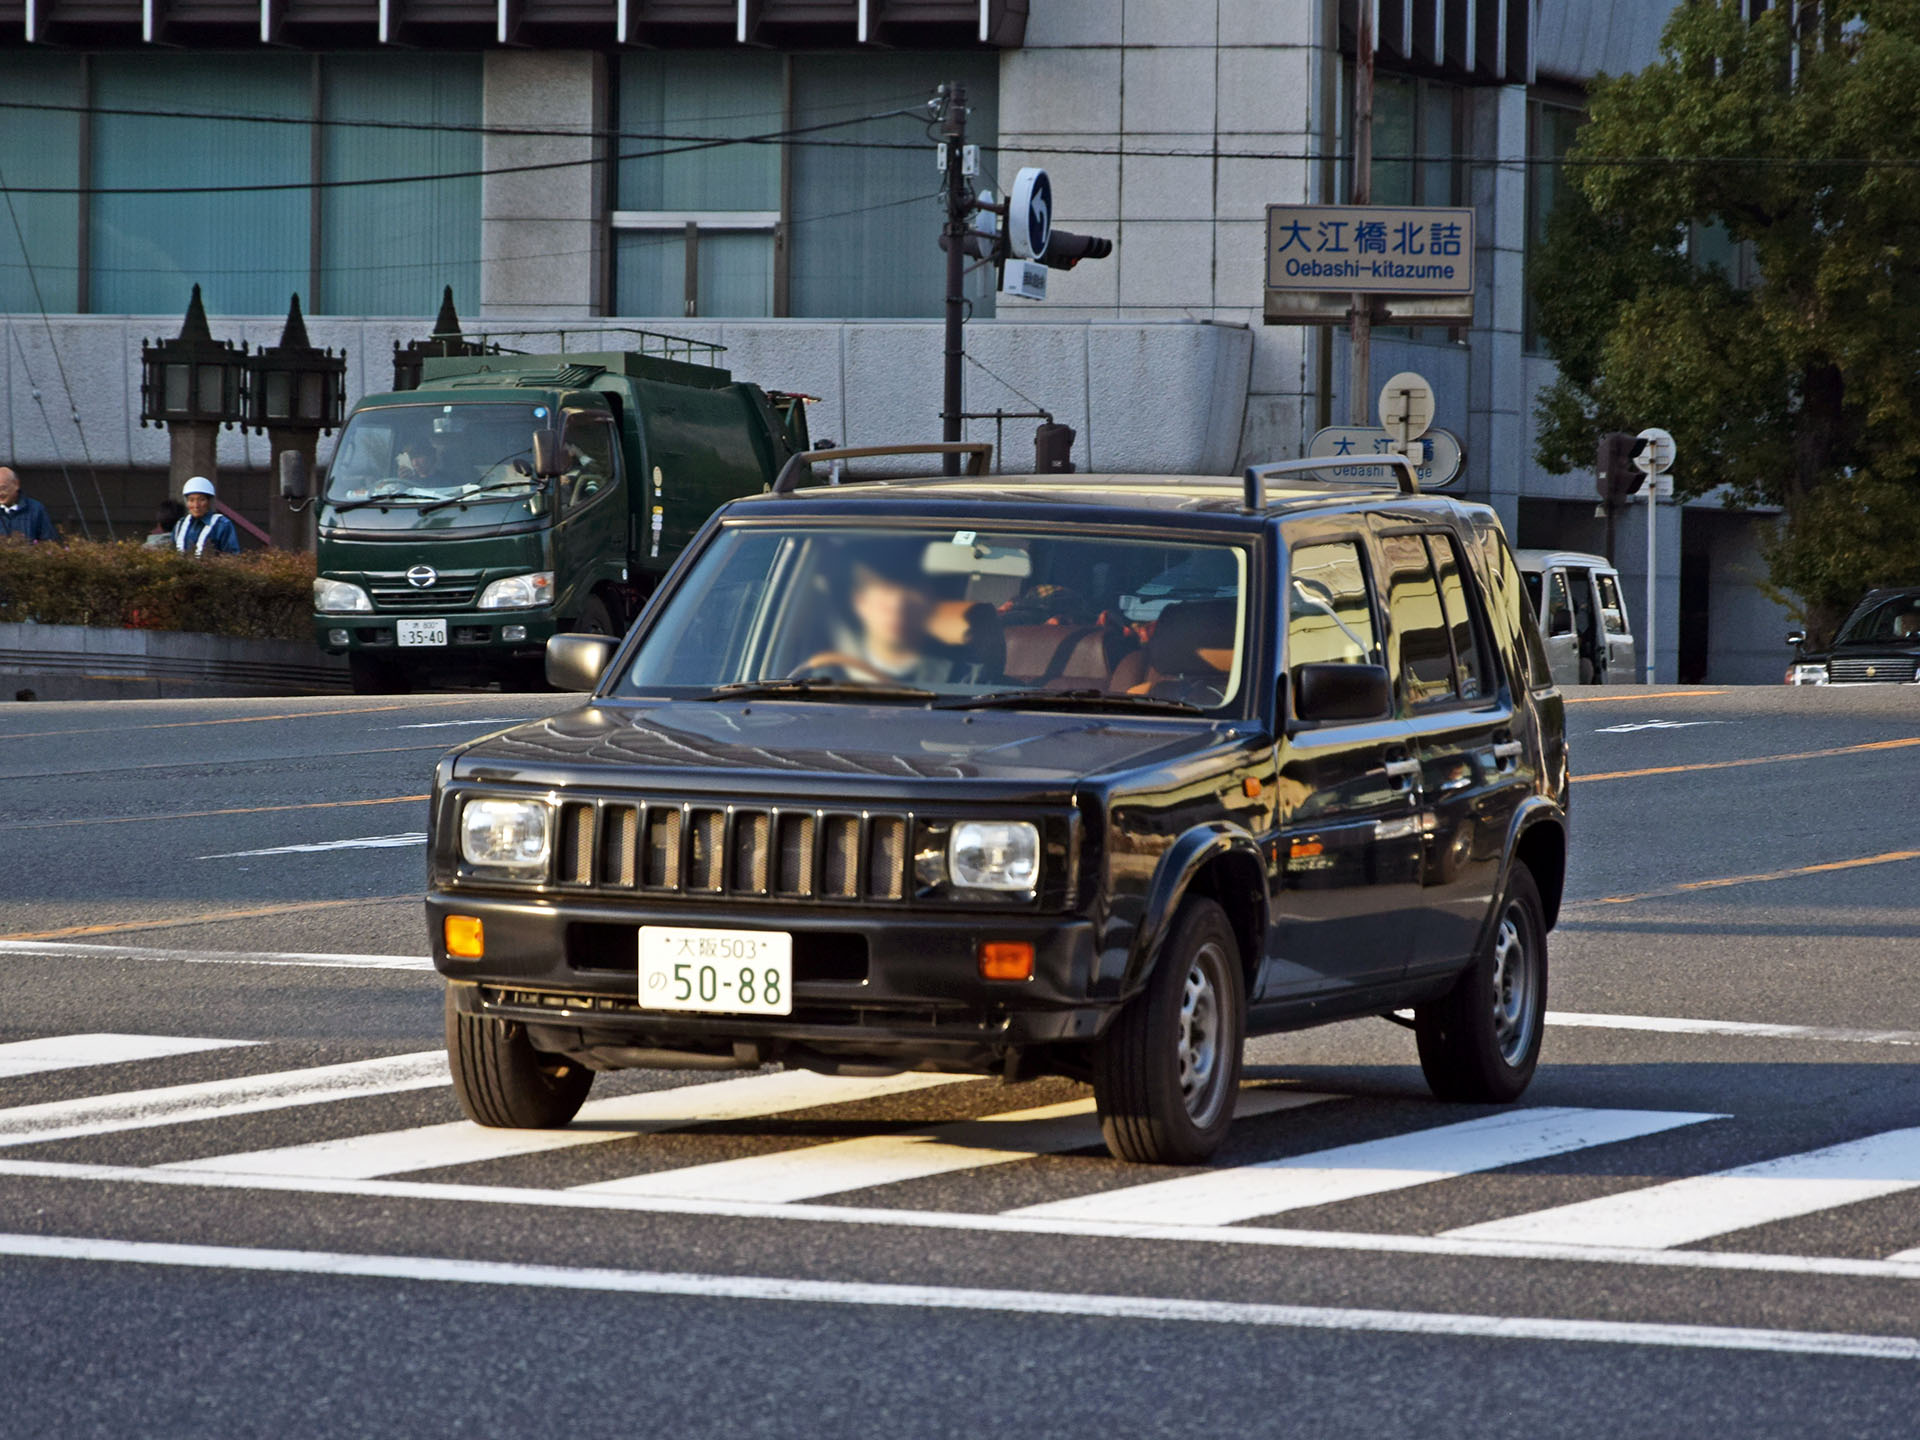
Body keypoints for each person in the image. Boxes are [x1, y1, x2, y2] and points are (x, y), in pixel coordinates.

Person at [172, 477, 240, 557]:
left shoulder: (222, 525)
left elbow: (232, 556)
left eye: (201, 500)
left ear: (209, 502)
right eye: (191, 500)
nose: (196, 505)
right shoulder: (180, 525)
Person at [0, 467, 56, 543]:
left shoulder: (35, 509)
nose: (0, 494)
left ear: (16, 484)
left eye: (2, 488)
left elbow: (49, 541)